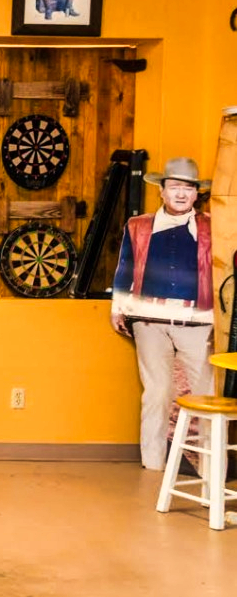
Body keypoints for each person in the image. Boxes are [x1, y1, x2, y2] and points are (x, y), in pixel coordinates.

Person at [110, 157, 214, 470]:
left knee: (206, 394)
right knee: (156, 392)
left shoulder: (213, 226)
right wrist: (118, 307)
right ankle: (153, 466)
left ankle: (210, 467)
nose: (181, 193)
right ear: (162, 190)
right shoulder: (138, 225)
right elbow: (125, 266)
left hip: (197, 320)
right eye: (175, 186)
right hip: (149, 320)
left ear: (196, 194)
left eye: (188, 188)